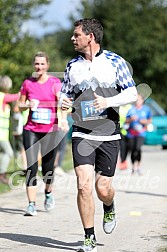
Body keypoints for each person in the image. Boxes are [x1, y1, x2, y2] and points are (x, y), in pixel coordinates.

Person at [60, 18, 137, 252]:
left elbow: (132, 94)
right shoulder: (72, 66)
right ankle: (89, 237)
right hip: (82, 133)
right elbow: (65, 95)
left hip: (109, 134)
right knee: (84, 186)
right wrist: (64, 103)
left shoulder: (115, 61)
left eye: (76, 35)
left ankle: (109, 205)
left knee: (102, 189)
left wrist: (108, 101)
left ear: (90, 37)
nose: (73, 39)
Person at [18, 51, 67, 216]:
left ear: (48, 65)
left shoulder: (55, 82)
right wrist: (28, 105)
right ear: (34, 65)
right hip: (31, 129)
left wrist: (63, 118)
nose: (39, 67)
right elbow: (19, 105)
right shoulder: (27, 83)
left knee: (48, 167)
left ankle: (48, 192)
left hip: (50, 131)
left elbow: (62, 102)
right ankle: (31, 204)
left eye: (42, 64)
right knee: (31, 166)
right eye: (36, 64)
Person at [0, 75, 19, 184]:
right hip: (1, 134)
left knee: (3, 153)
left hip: (3, 133)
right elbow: (15, 96)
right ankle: (2, 175)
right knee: (9, 152)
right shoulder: (2, 96)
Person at [126, 94, 152, 175]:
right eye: (136, 100)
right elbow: (126, 121)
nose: (137, 101)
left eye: (139, 99)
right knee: (133, 150)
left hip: (141, 133)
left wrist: (143, 121)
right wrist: (131, 119)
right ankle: (133, 167)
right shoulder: (131, 109)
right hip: (131, 133)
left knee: (138, 148)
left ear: (142, 101)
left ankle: (139, 166)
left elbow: (150, 121)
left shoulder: (146, 109)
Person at [117, 104, 132, 170]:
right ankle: (122, 162)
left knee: (128, 147)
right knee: (122, 147)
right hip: (121, 130)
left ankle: (125, 160)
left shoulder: (130, 107)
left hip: (129, 131)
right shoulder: (119, 107)